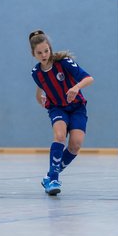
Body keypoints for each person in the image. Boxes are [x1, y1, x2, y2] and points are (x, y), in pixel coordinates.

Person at [29, 30, 94, 196]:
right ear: (33, 54)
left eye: (46, 51)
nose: (44, 55)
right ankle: (54, 180)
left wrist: (76, 87)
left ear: (50, 49)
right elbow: (42, 87)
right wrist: (39, 97)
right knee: (59, 136)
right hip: (57, 108)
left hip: (77, 107)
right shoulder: (35, 73)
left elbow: (88, 78)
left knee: (75, 145)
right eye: (39, 53)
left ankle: (49, 176)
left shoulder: (63, 63)